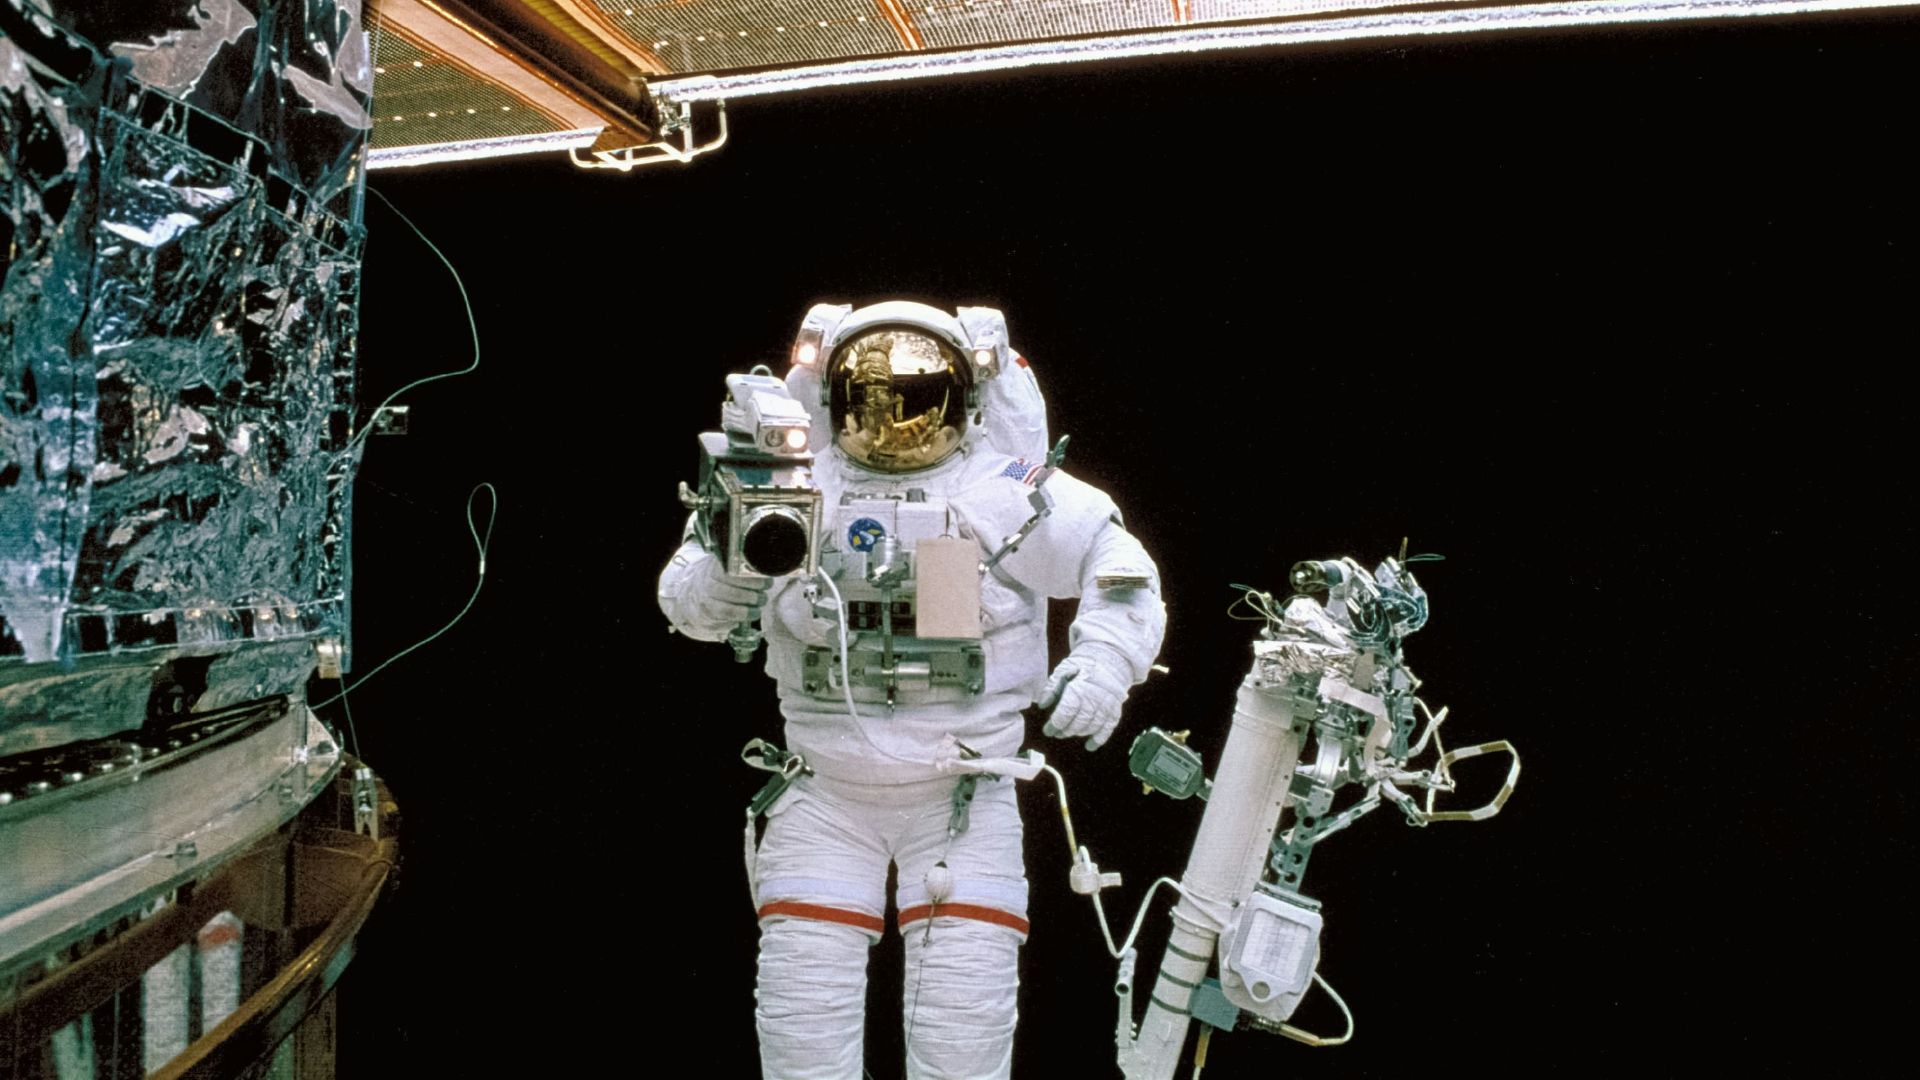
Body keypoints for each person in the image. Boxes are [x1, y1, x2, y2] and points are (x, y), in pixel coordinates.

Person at [657, 300, 1165, 1079]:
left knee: (962, 1042)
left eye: (920, 402)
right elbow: (683, 598)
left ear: (962, 401)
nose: (897, 424)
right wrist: (731, 574)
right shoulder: (790, 488)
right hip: (827, 795)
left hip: (964, 794)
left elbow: (1120, 568)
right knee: (803, 1039)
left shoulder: (1005, 492)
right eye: (872, 402)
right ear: (835, 401)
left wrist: (1102, 667)